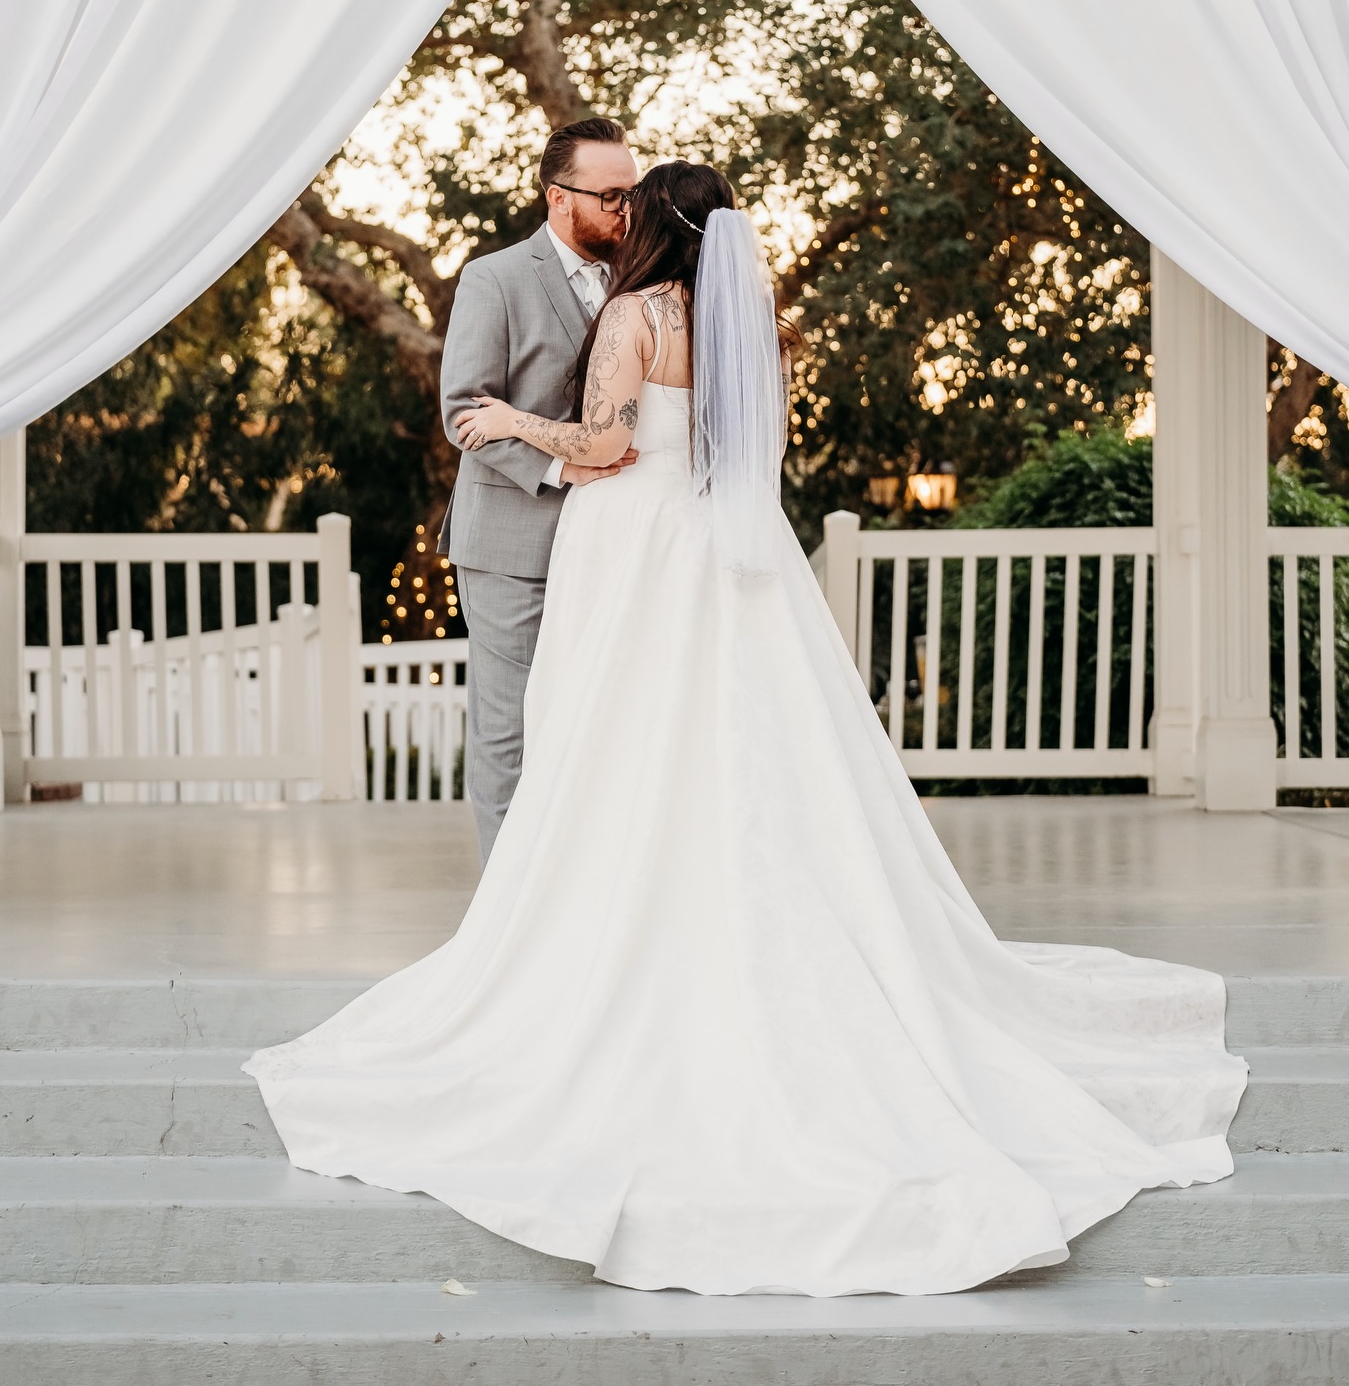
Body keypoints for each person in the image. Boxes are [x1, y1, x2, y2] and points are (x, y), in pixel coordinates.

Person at [246, 161, 1246, 1298]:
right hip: (733, 551)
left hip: (635, 551)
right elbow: (737, 453)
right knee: (750, 748)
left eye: (633, 207)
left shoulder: (634, 315)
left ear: (655, 228)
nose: (617, 220)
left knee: (620, 745)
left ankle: (611, 916)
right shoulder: (752, 326)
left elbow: (608, 447)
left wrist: (514, 419)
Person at [436, 116, 639, 862]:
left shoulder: (639, 280)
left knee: (595, 720)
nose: (625, 209)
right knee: (510, 730)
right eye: (611, 196)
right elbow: (464, 410)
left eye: (633, 194)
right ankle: (505, 914)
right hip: (511, 541)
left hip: (616, 541)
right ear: (558, 197)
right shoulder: (494, 278)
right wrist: (561, 467)